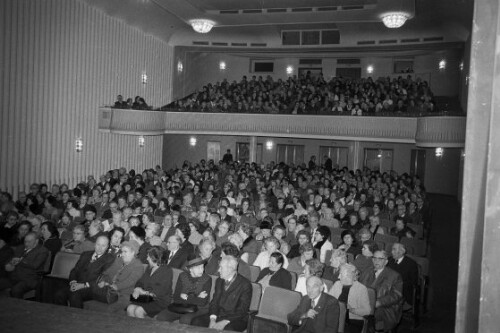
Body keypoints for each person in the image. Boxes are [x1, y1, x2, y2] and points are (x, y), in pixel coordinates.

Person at [191, 256, 252, 332]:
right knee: (196, 322)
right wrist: (212, 319)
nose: (218, 270)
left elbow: (242, 310)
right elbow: (214, 302)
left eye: (221, 268)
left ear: (230, 269)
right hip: (219, 315)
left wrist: (224, 322)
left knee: (228, 330)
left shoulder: (245, 284)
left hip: (236, 318)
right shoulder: (219, 280)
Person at [53, 235, 115, 308]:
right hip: (77, 283)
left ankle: (76, 318)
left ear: (107, 247)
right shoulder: (85, 254)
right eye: (98, 244)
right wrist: (73, 282)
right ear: (95, 244)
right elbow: (75, 270)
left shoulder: (109, 259)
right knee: (59, 294)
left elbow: (102, 278)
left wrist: (83, 285)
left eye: (103, 246)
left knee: (75, 294)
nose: (100, 248)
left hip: (92, 288)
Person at [89, 240, 145, 312]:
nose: (122, 254)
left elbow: (130, 281)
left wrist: (116, 286)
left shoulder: (138, 266)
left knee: (110, 309)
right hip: (110, 290)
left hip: (125, 295)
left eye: (125, 252)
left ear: (133, 252)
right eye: (122, 251)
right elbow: (107, 273)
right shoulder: (119, 260)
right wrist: (103, 281)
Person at [157, 255, 212, 324]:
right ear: (191, 269)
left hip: (199, 309)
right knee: (161, 317)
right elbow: (176, 297)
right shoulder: (182, 276)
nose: (202, 270)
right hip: (181, 307)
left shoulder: (207, 279)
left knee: (185, 320)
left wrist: (185, 297)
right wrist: (197, 298)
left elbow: (202, 302)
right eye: (198, 268)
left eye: (202, 267)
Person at [359, 250, 403, 331]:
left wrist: (379, 302)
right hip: (365, 303)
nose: (376, 261)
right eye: (374, 258)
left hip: (385, 307)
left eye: (380, 259)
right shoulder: (367, 271)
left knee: (371, 315)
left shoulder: (394, 276)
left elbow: (396, 295)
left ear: (386, 261)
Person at [127, 246, 173, 318]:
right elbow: (140, 281)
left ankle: (141, 329)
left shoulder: (167, 271)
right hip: (147, 298)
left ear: (154, 258)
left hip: (159, 301)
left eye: (148, 256)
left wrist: (145, 292)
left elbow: (162, 290)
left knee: (138, 310)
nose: (147, 258)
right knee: (130, 308)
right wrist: (137, 288)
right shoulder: (149, 267)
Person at [0, 232, 50, 298]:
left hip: (28, 279)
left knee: (16, 290)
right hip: (13, 277)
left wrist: (20, 261)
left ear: (36, 241)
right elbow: (10, 260)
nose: (26, 244)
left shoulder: (42, 251)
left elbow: (35, 265)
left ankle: (18, 307)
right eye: (25, 241)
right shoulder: (20, 247)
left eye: (29, 242)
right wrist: (10, 263)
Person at [328, 264, 371, 333]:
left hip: (353, 320)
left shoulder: (361, 288)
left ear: (350, 276)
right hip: (336, 318)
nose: (338, 277)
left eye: (341, 274)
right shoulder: (337, 284)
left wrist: (351, 310)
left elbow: (367, 311)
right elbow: (328, 301)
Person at [387, 243, 419, 307]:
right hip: (387, 288)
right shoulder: (389, 260)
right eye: (392, 249)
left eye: (394, 249)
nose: (391, 252)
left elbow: (413, 282)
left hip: (402, 291)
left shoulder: (411, 264)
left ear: (402, 252)